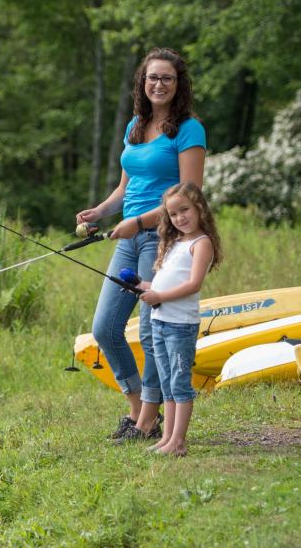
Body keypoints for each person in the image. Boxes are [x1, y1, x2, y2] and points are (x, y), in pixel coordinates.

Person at [75, 47, 206, 444]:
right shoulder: (136, 124)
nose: (159, 84)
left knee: (152, 333)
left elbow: (191, 192)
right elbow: (125, 186)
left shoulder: (189, 130)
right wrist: (101, 211)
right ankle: (137, 407)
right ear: (142, 83)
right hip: (130, 239)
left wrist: (138, 222)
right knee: (106, 328)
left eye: (167, 78)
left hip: (162, 238)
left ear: (178, 83)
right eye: (152, 77)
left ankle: (149, 422)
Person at [136, 182, 222, 456]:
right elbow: (162, 282)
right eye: (173, 214)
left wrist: (159, 295)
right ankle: (167, 439)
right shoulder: (173, 243)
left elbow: (193, 284)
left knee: (179, 383)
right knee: (167, 383)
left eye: (184, 210)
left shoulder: (201, 243)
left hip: (180, 326)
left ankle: (178, 442)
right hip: (159, 322)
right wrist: (144, 287)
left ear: (199, 209)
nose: (180, 218)